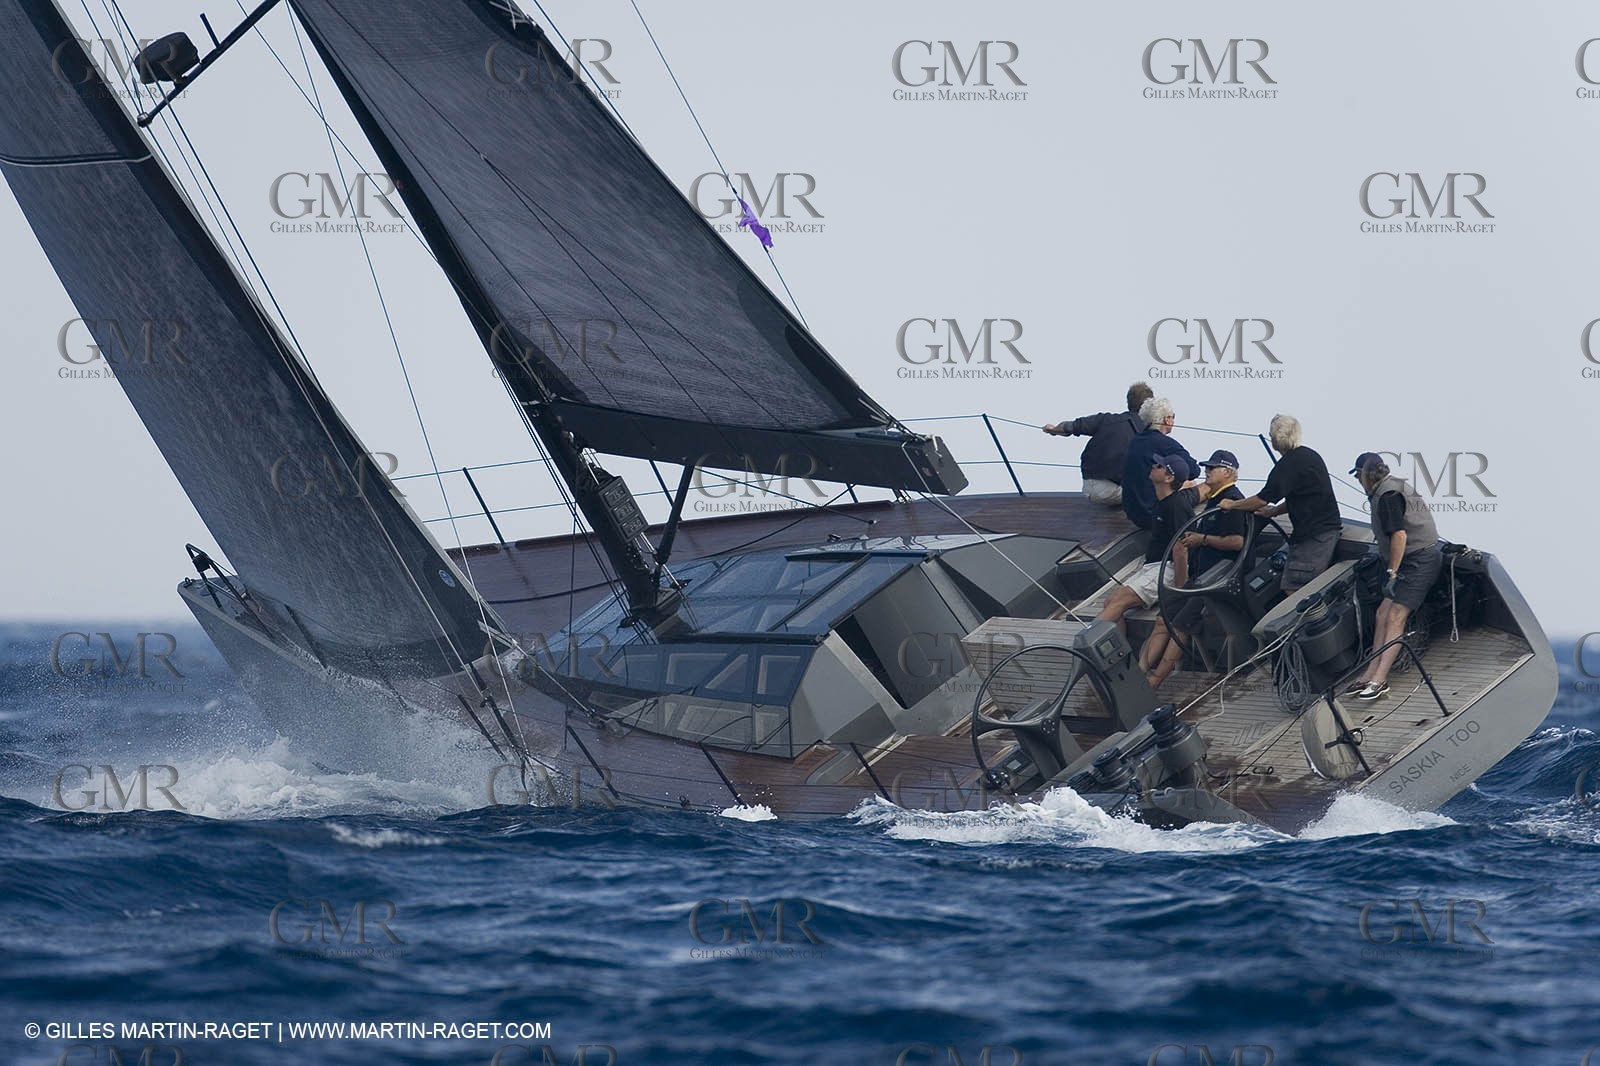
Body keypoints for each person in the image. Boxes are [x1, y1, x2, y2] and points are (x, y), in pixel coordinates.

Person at [1342, 452, 1444, 701]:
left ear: (1364, 476)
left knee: (1396, 616)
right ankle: (1369, 672)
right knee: (1381, 614)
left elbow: (1399, 536)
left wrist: (1392, 572)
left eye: (1357, 476)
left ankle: (1380, 680)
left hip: (1418, 560)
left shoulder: (1387, 496)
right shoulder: (1390, 486)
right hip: (1408, 559)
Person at [1146, 451, 1249, 689]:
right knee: (1164, 619)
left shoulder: (1232, 501)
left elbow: (1237, 542)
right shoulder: (1214, 501)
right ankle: (1141, 672)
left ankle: (1155, 679)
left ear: (1227, 472)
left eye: (1212, 468)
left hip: (1216, 581)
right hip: (1199, 578)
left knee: (1181, 624)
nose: (1207, 471)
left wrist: (1202, 538)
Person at [1218, 414, 1342, 594]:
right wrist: (1273, 512)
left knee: (1295, 591)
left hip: (1314, 537)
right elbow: (1301, 497)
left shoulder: (1289, 464)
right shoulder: (1309, 456)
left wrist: (1232, 505)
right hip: (1322, 533)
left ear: (1275, 439)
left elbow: (1261, 499)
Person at [1043, 382, 1154, 505]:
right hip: (1110, 491)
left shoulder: (1105, 419)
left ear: (1128, 402)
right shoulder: (1146, 434)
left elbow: (1071, 426)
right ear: (1149, 407)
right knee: (1155, 491)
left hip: (1088, 486)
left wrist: (1053, 430)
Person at [1120, 396, 1199, 529]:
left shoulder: (1135, 441)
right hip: (1154, 512)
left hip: (1134, 513)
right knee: (1206, 486)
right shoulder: (1166, 444)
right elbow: (1193, 470)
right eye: (1172, 416)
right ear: (1166, 419)